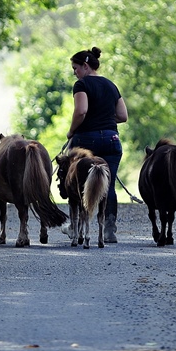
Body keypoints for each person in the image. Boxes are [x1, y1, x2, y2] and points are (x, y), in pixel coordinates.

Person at [67, 47, 129, 243]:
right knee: (108, 185)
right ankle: (109, 229)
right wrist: (104, 119)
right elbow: (122, 116)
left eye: (75, 68)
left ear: (85, 66)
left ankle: (75, 226)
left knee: (74, 181)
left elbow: (81, 111)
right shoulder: (111, 85)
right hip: (112, 141)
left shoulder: (81, 84)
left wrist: (71, 131)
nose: (74, 72)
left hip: (86, 140)